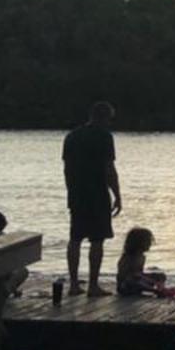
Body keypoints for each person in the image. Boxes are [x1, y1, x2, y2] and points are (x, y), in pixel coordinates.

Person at [62, 102, 121, 296]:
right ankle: (93, 286)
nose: (110, 123)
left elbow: (67, 168)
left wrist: (71, 190)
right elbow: (108, 169)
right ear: (104, 118)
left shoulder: (72, 136)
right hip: (97, 194)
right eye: (110, 119)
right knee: (97, 240)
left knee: (75, 238)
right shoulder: (104, 137)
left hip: (77, 194)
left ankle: (73, 284)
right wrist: (117, 195)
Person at [116, 225, 173, 297]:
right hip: (126, 286)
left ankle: (160, 288)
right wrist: (151, 282)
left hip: (139, 281)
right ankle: (155, 290)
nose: (150, 244)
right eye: (148, 241)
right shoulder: (128, 258)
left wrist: (154, 280)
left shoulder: (141, 257)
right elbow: (130, 275)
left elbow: (140, 274)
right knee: (133, 280)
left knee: (160, 275)